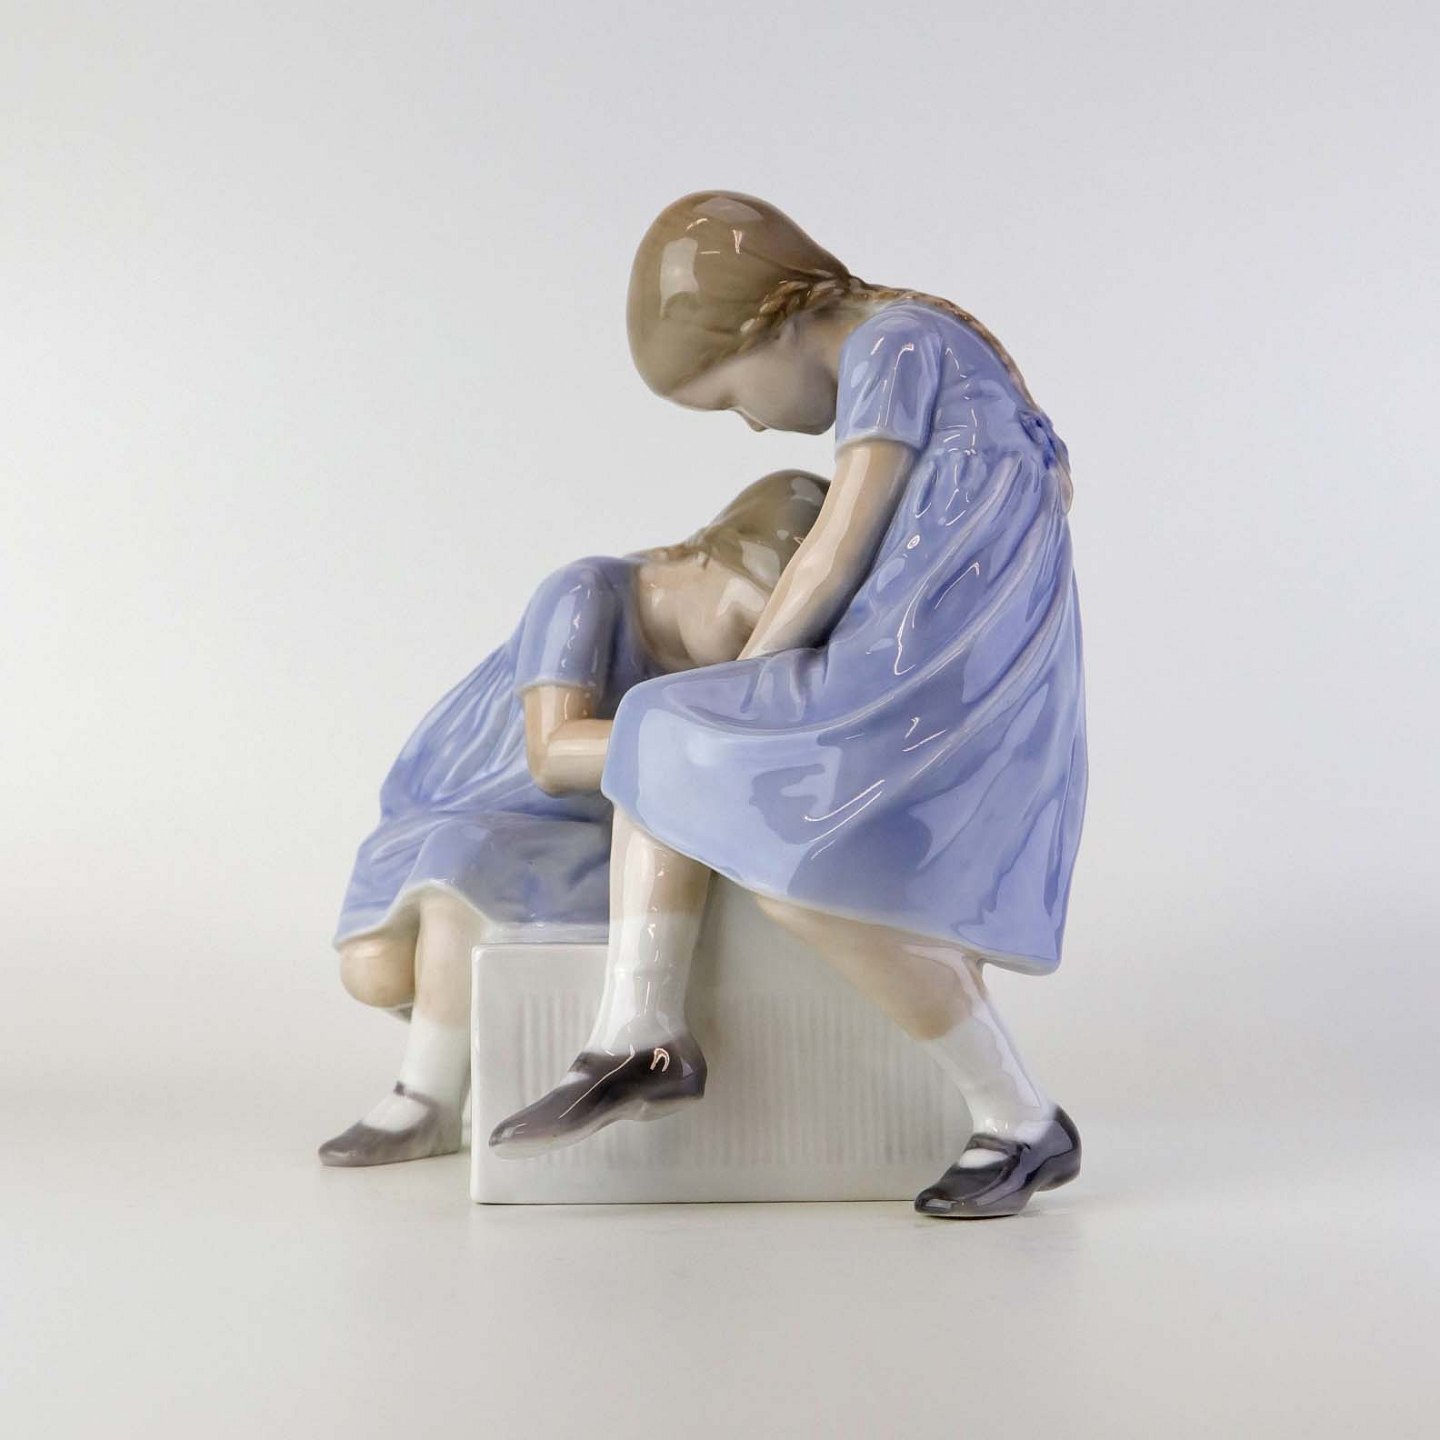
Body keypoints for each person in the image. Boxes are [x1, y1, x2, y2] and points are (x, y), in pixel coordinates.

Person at [490, 192, 1088, 1219]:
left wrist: (753, 679)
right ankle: (640, 1036)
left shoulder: (894, 344)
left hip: (925, 678)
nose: (758, 424)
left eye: (733, 399)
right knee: (678, 742)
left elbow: (836, 546)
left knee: (721, 775)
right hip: (953, 670)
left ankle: (1018, 1118)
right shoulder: (934, 349)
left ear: (769, 326)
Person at [320, 468, 829, 1166]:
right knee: (375, 971)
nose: (750, 662)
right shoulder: (587, 593)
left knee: (462, 865)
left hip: (566, 840)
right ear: (705, 558)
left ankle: (426, 1100)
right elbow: (553, 755)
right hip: (465, 805)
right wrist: (702, 739)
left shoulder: (720, 682)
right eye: (746, 625)